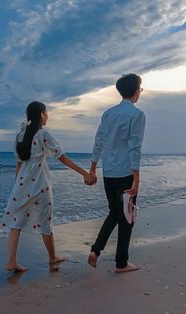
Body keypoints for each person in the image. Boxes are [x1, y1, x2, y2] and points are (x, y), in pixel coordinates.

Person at [2, 101, 92, 272]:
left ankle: (11, 261)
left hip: (21, 184)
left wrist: (16, 185)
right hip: (39, 184)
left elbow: (19, 163)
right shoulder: (42, 134)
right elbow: (62, 157)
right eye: (47, 112)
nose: (48, 115)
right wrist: (84, 173)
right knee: (46, 220)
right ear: (42, 114)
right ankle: (52, 257)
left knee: (17, 220)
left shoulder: (21, 133)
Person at [87, 73, 146, 273]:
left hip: (109, 172)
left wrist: (93, 168)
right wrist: (136, 177)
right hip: (125, 172)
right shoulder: (137, 114)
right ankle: (121, 263)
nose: (140, 92)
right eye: (140, 88)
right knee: (127, 216)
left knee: (114, 212)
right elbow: (134, 146)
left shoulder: (108, 114)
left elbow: (99, 141)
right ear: (136, 91)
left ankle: (96, 250)